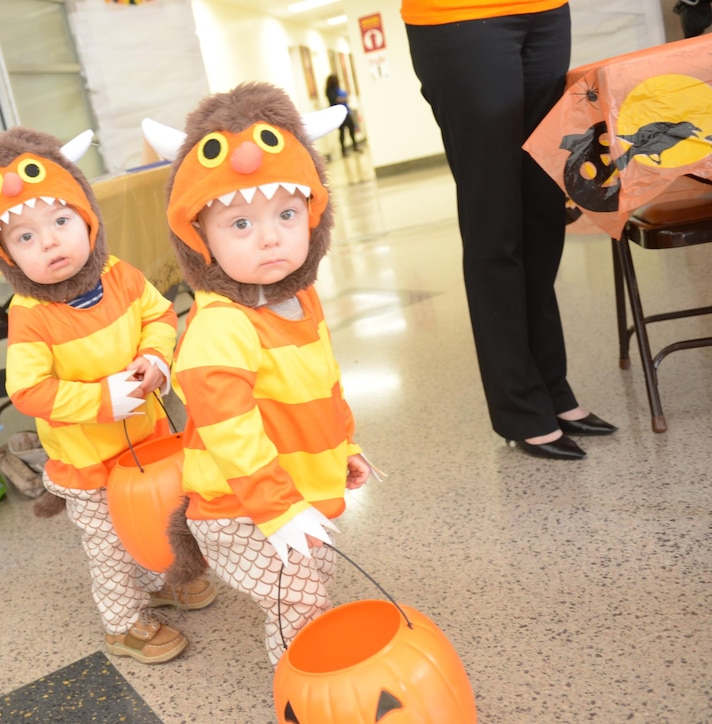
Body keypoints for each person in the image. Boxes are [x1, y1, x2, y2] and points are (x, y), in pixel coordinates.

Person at [141, 82, 376, 665]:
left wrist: (344, 444)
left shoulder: (304, 299)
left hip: (296, 489)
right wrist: (274, 506)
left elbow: (322, 386)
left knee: (309, 582)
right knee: (300, 604)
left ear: (313, 217)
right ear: (201, 240)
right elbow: (231, 436)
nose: (270, 235)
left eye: (287, 213)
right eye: (239, 224)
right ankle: (305, 688)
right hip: (238, 508)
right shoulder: (222, 325)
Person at [0, 126, 216, 665]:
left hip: (146, 441)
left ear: (88, 220)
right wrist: (101, 400)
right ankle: (123, 625)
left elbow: (159, 315)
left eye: (61, 222)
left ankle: (163, 576)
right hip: (85, 462)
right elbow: (30, 390)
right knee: (108, 546)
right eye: (26, 238)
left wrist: (156, 358)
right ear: (6, 256)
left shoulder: (121, 276)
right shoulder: (31, 317)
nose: (51, 242)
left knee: (156, 515)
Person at [401, 0, 617, 460]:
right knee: (493, 215)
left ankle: (553, 391)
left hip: (545, 11)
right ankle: (520, 408)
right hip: (457, 18)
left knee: (543, 209)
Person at [324, 74, 359, 155]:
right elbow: (335, 100)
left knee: (351, 129)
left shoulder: (337, 89)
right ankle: (343, 151)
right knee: (342, 132)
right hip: (338, 114)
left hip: (346, 112)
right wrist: (345, 99)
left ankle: (355, 146)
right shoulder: (329, 91)